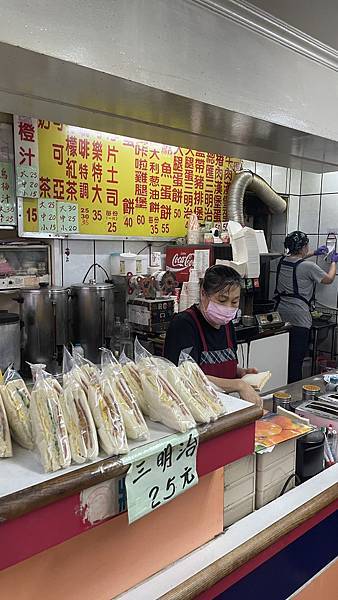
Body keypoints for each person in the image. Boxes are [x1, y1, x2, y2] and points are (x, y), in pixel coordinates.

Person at [164, 265, 262, 407]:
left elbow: (220, 369)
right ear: (203, 294)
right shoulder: (184, 324)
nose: (228, 307)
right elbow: (185, 377)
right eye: (222, 300)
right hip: (191, 410)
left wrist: (240, 373)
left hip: (220, 408)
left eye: (234, 302)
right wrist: (238, 385)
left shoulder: (226, 325)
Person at [274, 231, 338, 383]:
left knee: (283, 359)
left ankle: (279, 386)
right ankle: (292, 391)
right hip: (299, 319)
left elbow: (297, 260)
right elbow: (328, 279)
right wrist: (334, 261)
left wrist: (314, 252)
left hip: (280, 316)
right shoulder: (309, 267)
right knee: (296, 361)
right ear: (303, 247)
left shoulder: (282, 261)